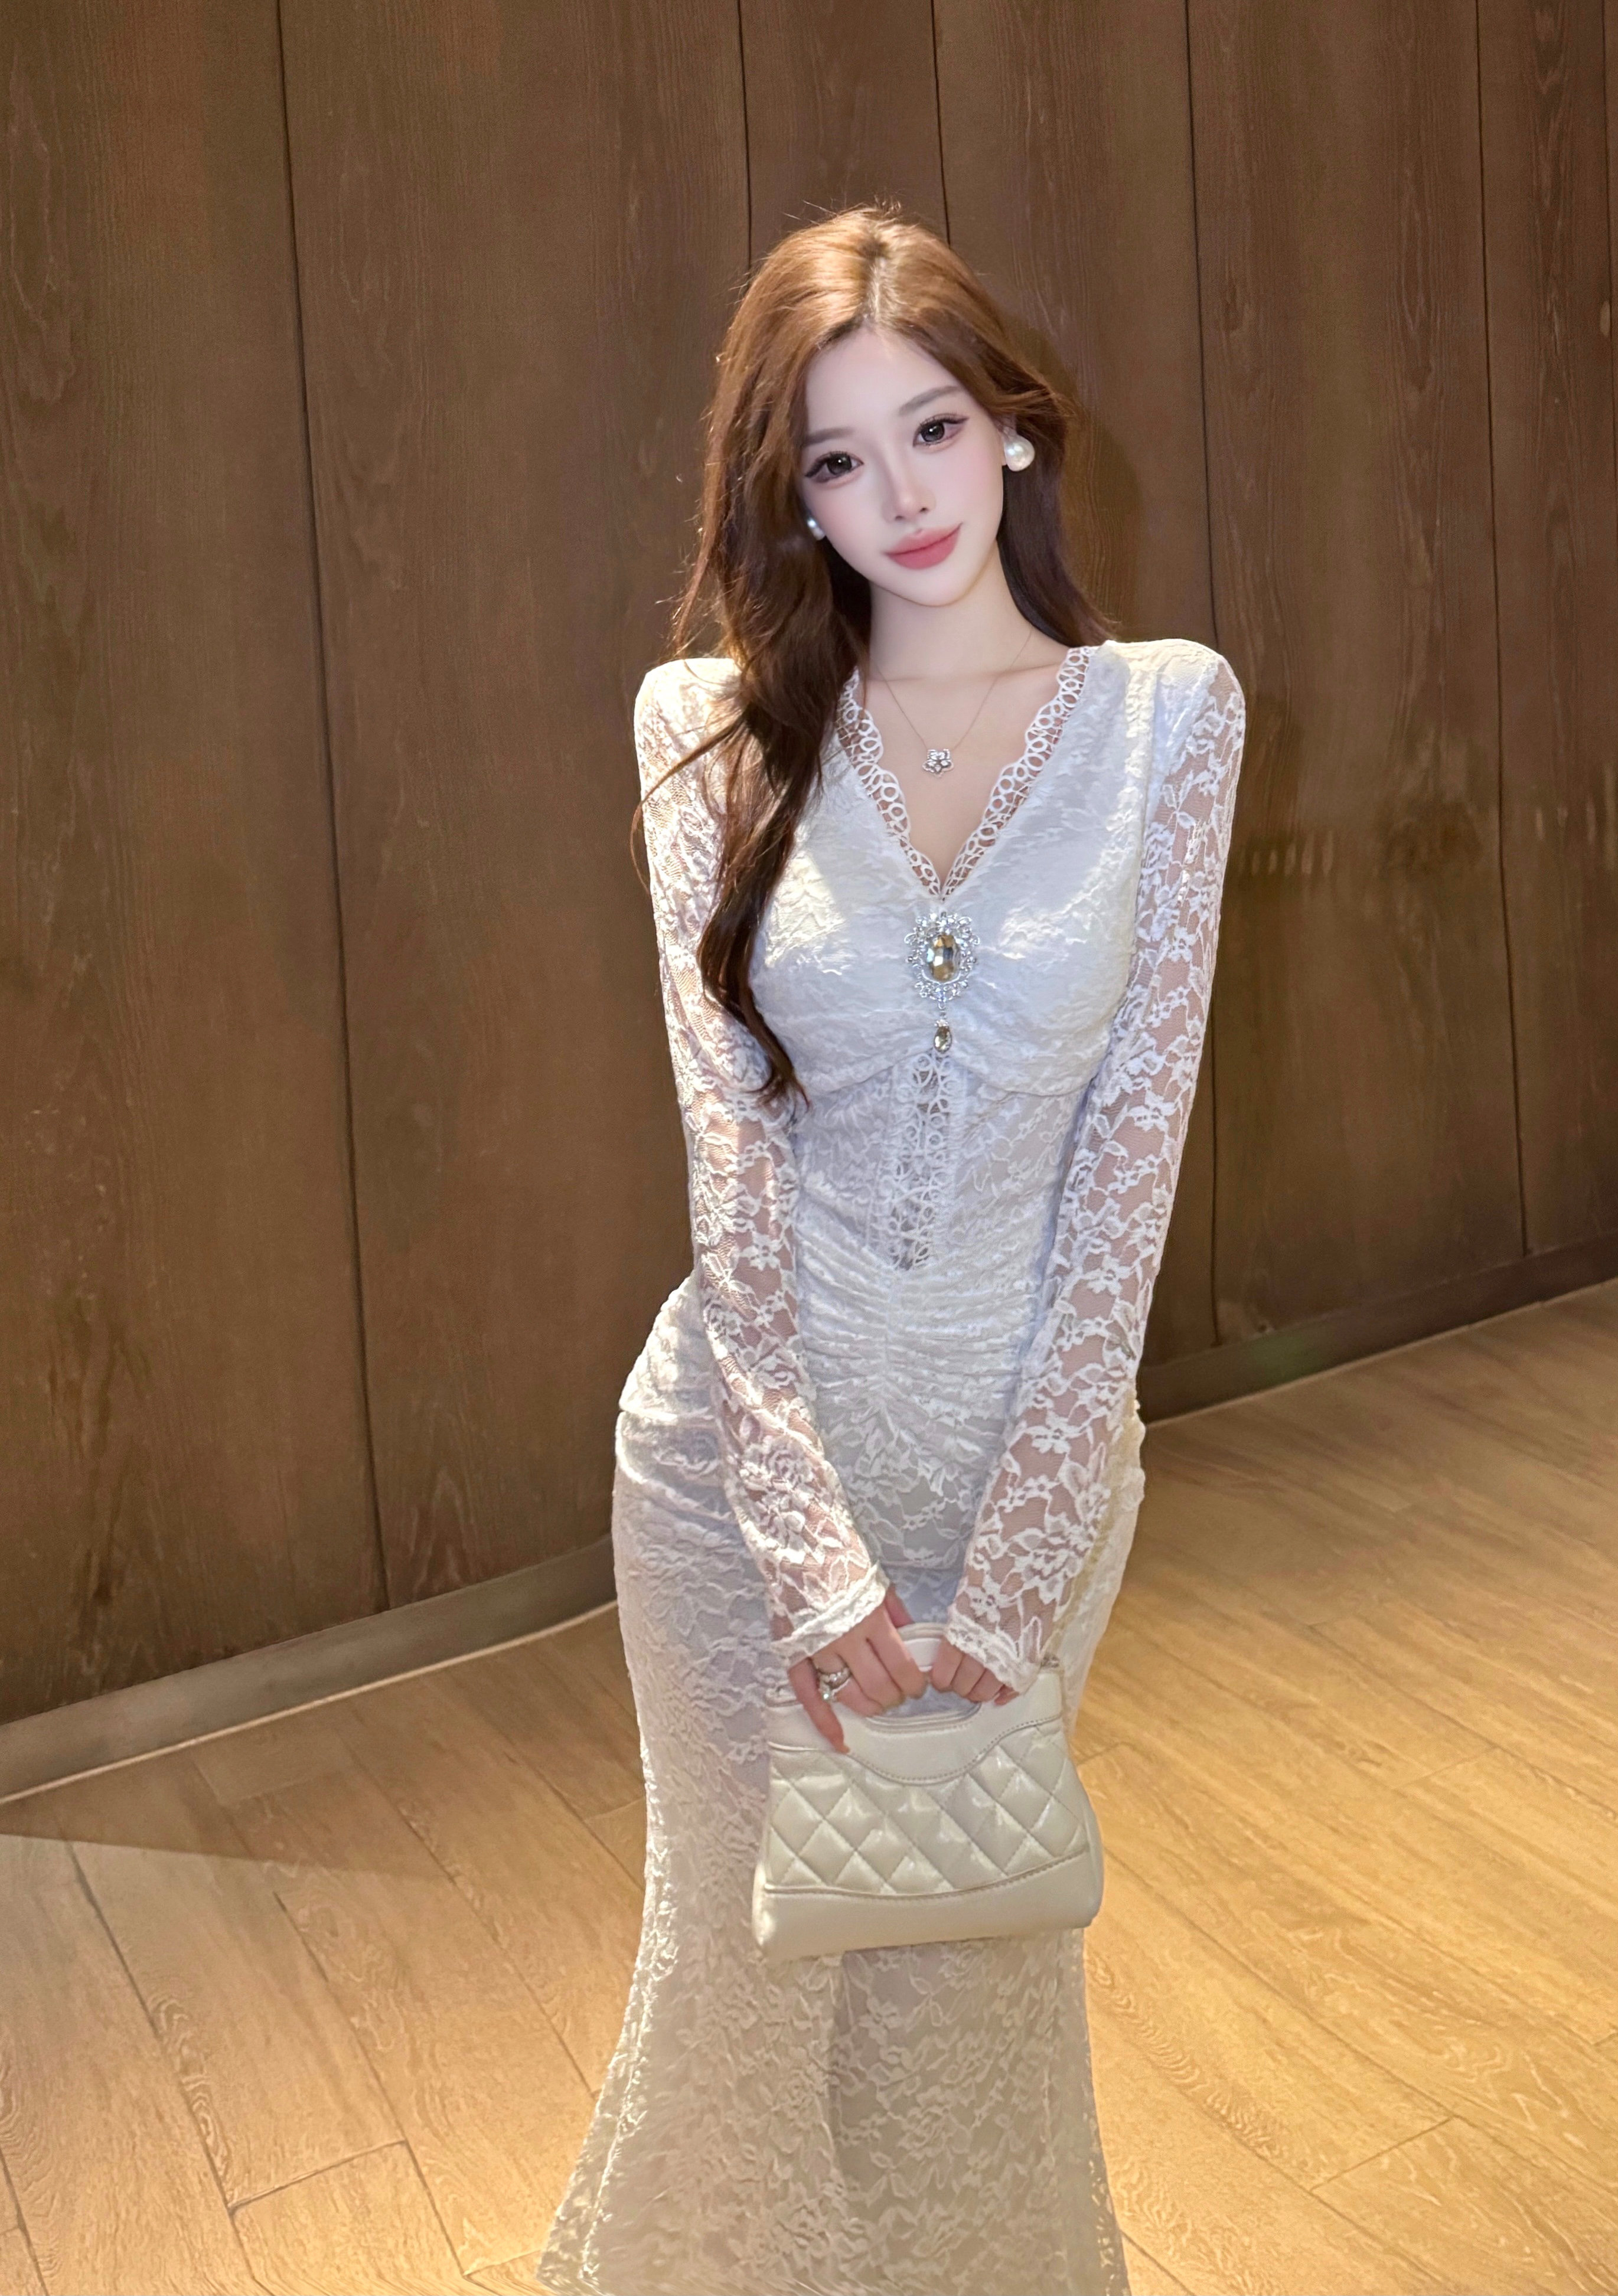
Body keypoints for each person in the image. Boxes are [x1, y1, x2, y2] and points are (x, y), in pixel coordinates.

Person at [537, 203, 1246, 2296]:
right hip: (738, 1487)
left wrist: (1011, 1564)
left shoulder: (1165, 720)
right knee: (740, 1985)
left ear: (1012, 426)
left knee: (972, 1999)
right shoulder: (705, 726)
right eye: (835, 463)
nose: (901, 498)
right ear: (793, 502)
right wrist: (811, 1557)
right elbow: (728, 1172)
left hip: (1026, 1472)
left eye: (931, 429)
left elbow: (1128, 1172)